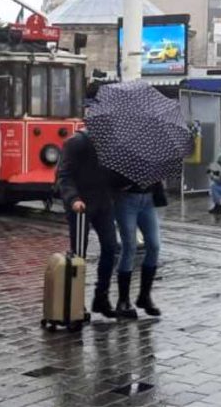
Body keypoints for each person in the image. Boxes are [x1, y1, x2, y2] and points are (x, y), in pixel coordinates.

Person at [57, 130, 122, 319]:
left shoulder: (112, 145)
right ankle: (76, 303)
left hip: (103, 204)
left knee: (111, 248)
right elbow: (64, 175)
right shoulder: (76, 143)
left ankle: (101, 298)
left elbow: (113, 177)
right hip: (81, 205)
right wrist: (73, 199)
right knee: (79, 254)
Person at [112, 181, 164, 318]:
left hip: (148, 199)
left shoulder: (152, 159)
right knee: (129, 246)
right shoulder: (118, 159)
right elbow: (109, 176)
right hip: (125, 198)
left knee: (154, 245)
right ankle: (123, 300)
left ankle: (144, 296)